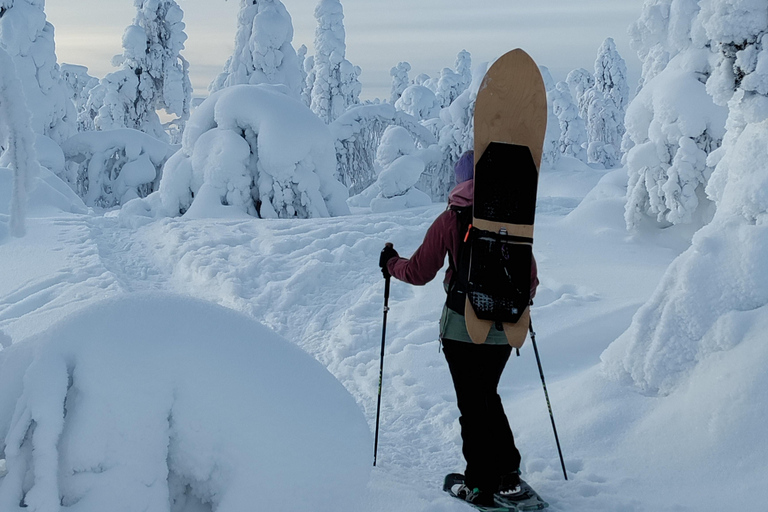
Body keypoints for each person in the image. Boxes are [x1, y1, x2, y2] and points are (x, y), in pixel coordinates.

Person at [379, 149, 539, 507]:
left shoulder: (451, 220)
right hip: (506, 328)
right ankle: (508, 476)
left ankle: (480, 484)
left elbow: (419, 271)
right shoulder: (513, 219)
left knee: (473, 403)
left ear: (460, 182)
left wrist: (391, 263)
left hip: (462, 327)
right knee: (487, 397)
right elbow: (531, 280)